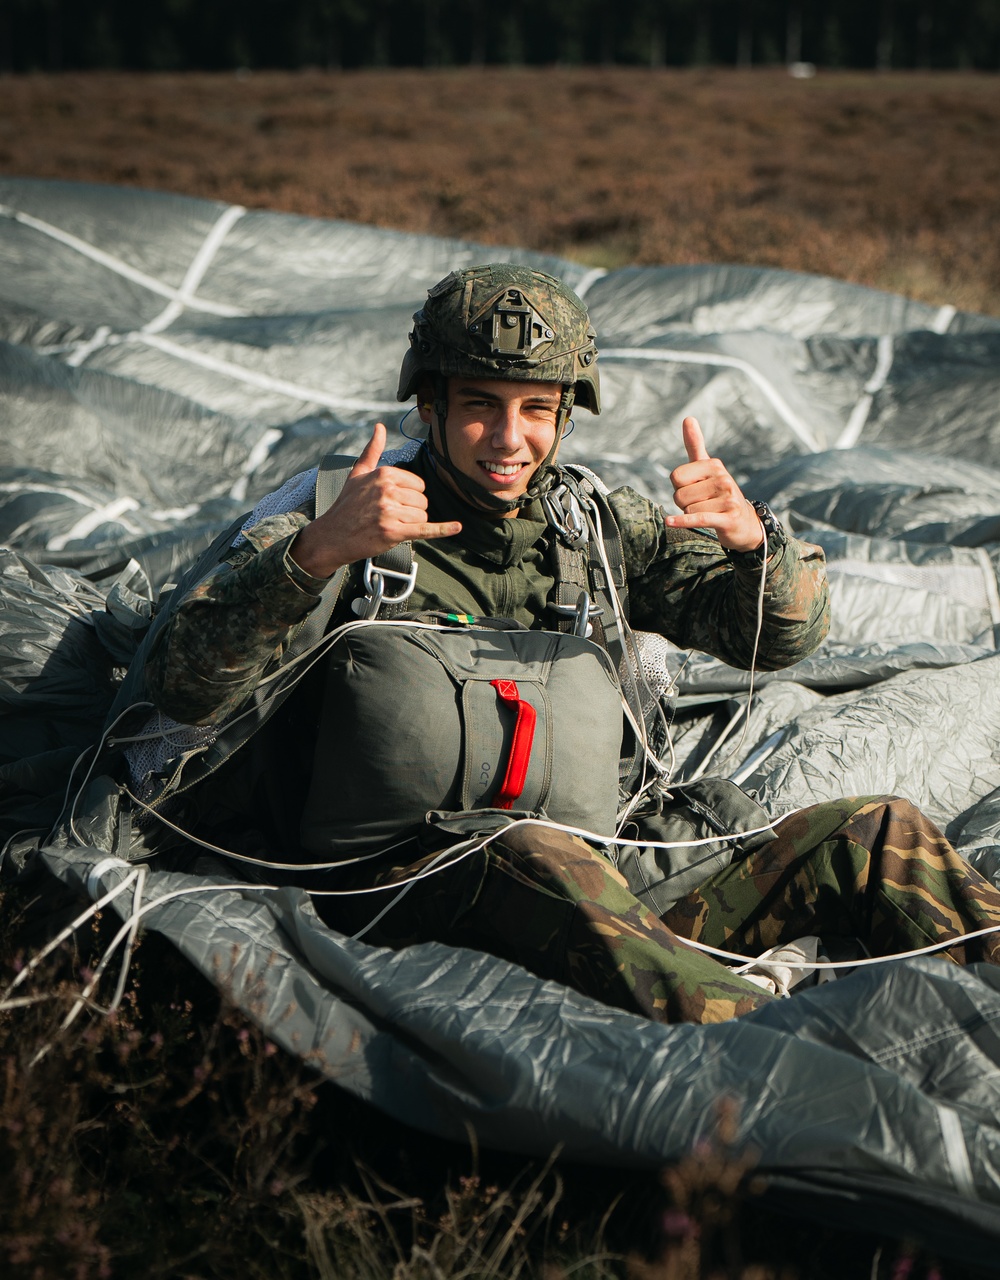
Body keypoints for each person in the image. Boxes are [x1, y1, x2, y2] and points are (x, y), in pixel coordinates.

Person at [139, 263, 1000, 1026]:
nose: (510, 440)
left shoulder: (588, 526)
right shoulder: (339, 513)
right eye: (480, 406)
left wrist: (754, 547)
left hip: (594, 883)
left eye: (536, 411)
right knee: (533, 852)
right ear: (429, 404)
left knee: (875, 833)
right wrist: (314, 556)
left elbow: (777, 642)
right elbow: (183, 687)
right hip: (386, 897)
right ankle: (774, 1062)